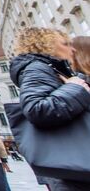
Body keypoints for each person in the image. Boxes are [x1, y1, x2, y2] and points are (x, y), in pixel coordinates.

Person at [10, 28, 90, 190]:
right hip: (72, 169)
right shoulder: (36, 68)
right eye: (65, 44)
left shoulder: (51, 68)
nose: (72, 49)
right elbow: (36, 109)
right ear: (46, 45)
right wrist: (76, 88)